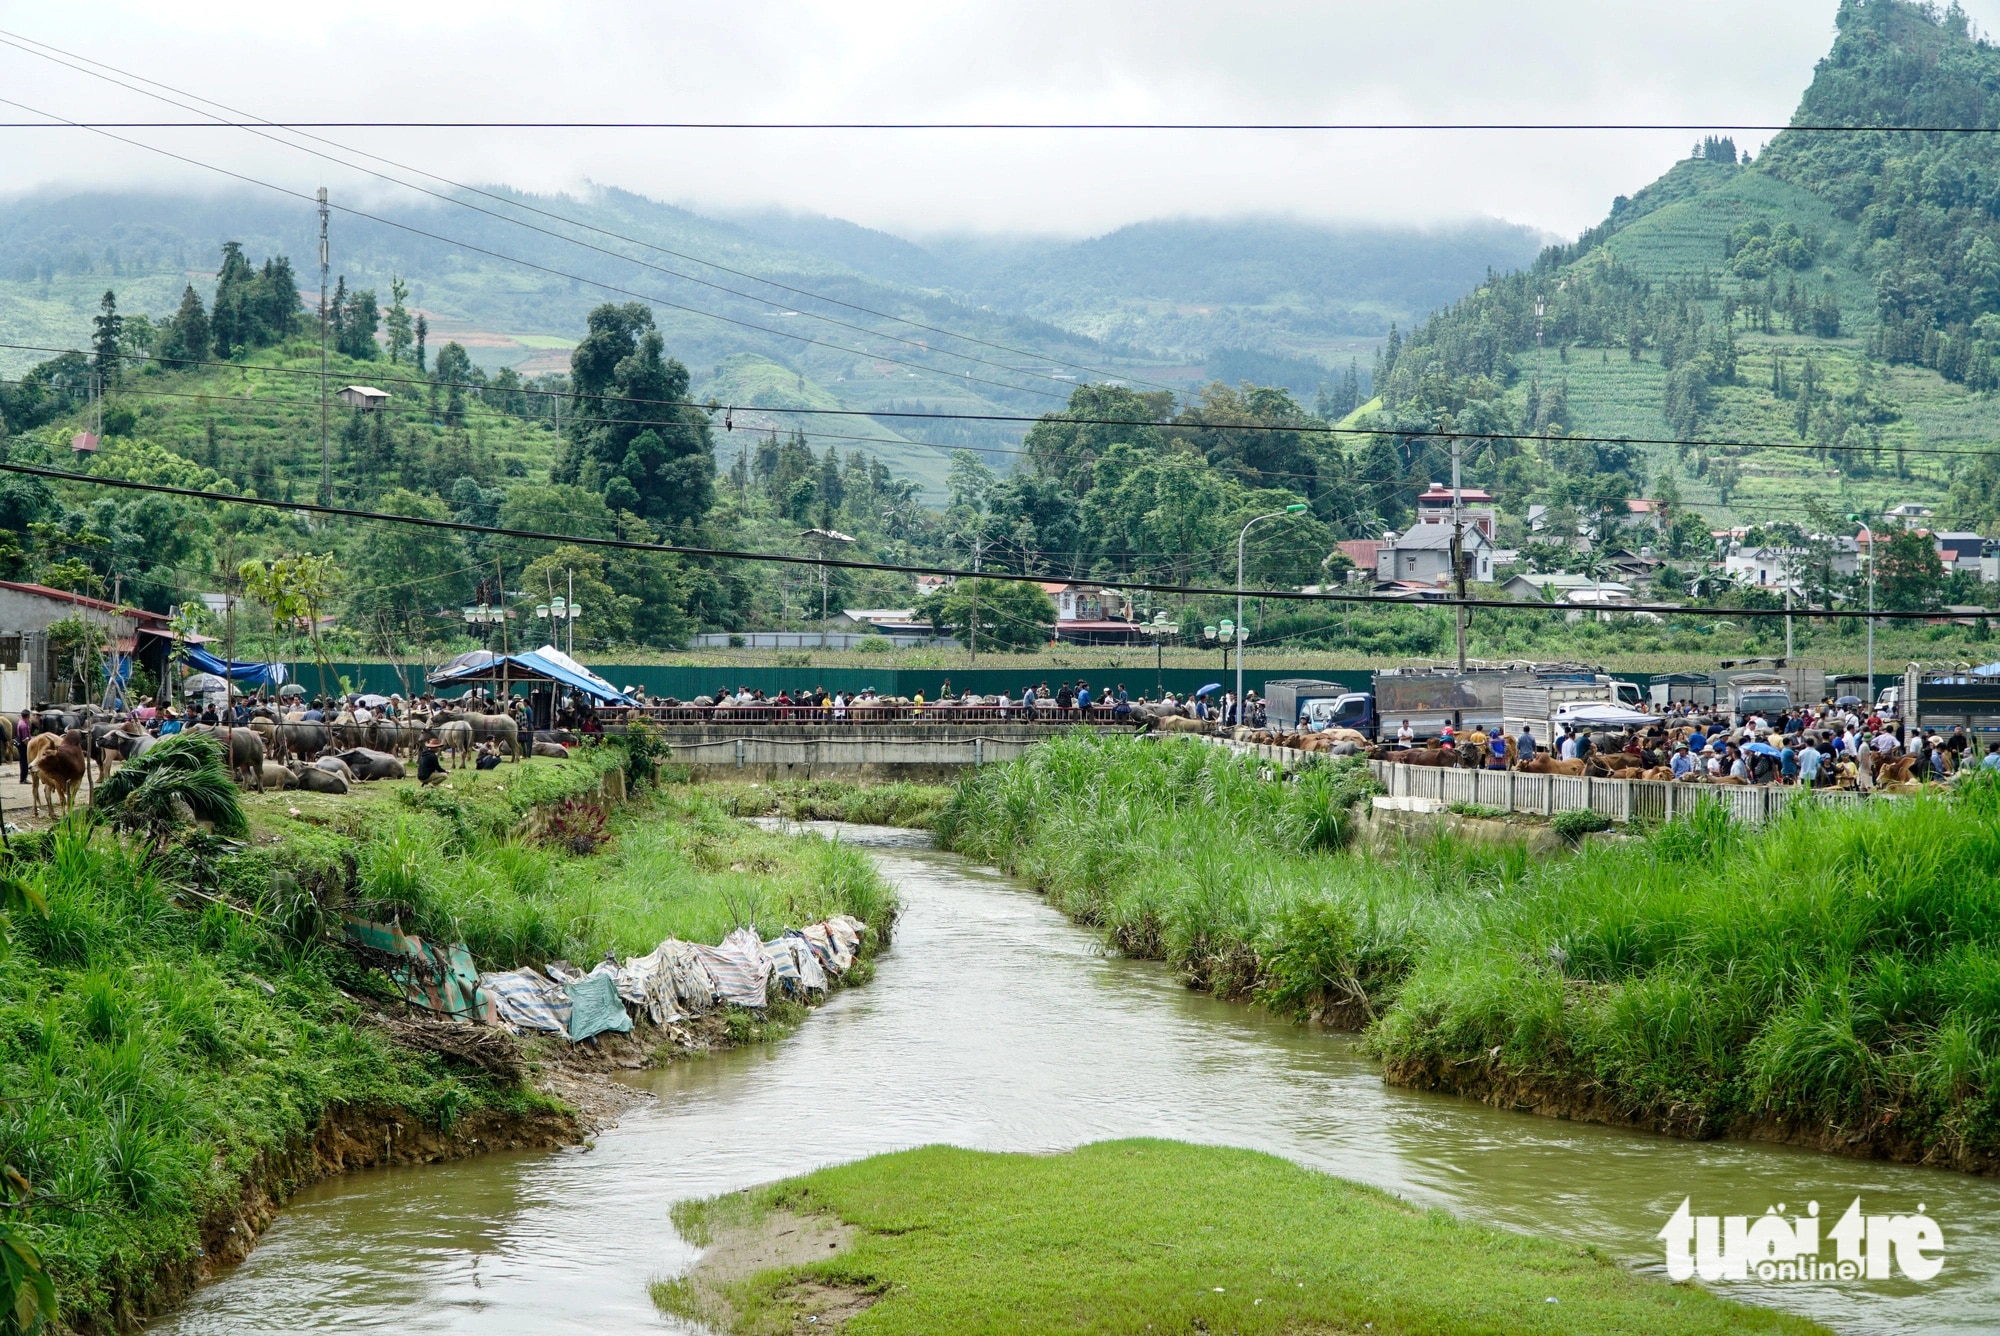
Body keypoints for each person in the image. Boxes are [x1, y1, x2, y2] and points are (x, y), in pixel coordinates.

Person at [13, 709, 29, 784]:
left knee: (22, 761)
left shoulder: (20, 722)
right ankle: (23, 779)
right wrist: (29, 747)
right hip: (23, 745)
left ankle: (23, 778)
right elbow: (25, 739)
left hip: (20, 744)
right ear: (28, 716)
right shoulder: (24, 725)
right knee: (24, 762)